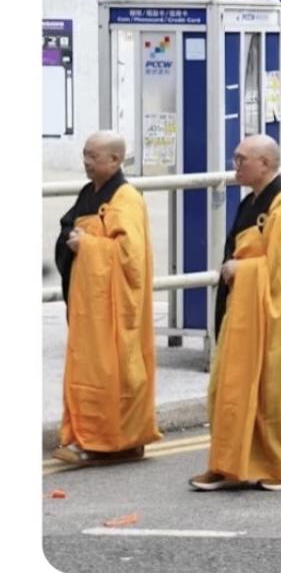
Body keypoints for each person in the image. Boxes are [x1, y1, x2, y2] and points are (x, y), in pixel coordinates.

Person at [192, 135, 281, 491]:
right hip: (242, 312)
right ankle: (226, 463)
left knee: (272, 390)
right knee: (228, 388)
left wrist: (243, 271)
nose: (236, 165)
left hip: (271, 316)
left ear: (265, 164)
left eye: (242, 159)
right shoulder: (252, 203)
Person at [52, 131, 161, 466]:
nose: (86, 162)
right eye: (85, 154)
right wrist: (73, 240)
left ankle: (106, 442)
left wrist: (88, 245)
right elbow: (70, 226)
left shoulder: (125, 198)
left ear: (115, 160)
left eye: (93, 157)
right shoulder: (90, 193)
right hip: (90, 306)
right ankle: (101, 438)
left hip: (115, 309)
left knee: (114, 372)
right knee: (90, 370)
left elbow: (131, 256)